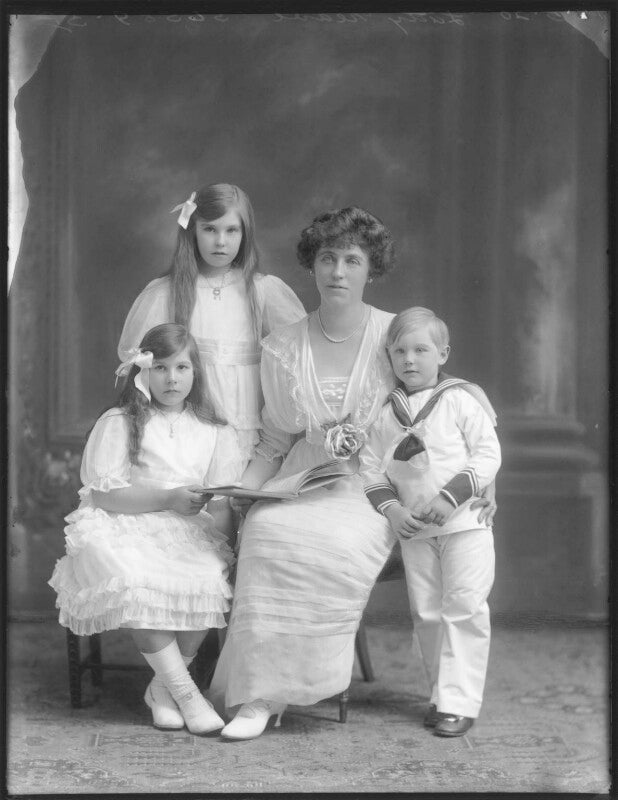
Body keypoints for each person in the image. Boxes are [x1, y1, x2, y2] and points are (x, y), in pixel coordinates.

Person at [208, 208, 496, 740]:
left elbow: (451, 396)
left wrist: (486, 481)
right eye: (327, 258)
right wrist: (240, 494)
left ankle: (285, 689)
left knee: (329, 545)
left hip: (373, 488)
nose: (337, 271)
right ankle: (258, 696)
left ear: (370, 268)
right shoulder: (282, 346)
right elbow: (274, 441)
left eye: (351, 260)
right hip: (300, 480)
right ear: (311, 265)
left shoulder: (395, 332)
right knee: (267, 529)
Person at [49, 323, 243, 735]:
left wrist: (227, 548)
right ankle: (187, 695)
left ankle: (162, 691)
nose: (172, 379)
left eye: (182, 367)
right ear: (143, 372)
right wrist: (167, 498)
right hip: (124, 523)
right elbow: (104, 495)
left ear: (196, 372)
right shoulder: (120, 421)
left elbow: (221, 500)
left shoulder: (214, 429)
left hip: (188, 529)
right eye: (160, 368)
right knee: (135, 579)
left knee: (209, 576)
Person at [360, 307, 501, 738]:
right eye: (399, 351)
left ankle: (459, 702)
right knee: (427, 614)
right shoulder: (387, 412)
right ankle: (442, 695)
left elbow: (488, 453)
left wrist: (449, 497)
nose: (409, 359)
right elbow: (370, 469)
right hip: (416, 530)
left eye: (421, 350)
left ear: (443, 354)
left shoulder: (460, 399)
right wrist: (393, 510)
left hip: (464, 524)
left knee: (464, 608)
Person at [118, 183, 306, 474]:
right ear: (193, 230)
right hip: (185, 436)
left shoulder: (263, 291)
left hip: (247, 433)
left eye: (231, 230)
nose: (220, 241)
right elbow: (142, 372)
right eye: (209, 229)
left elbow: (296, 363)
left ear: (245, 234)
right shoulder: (166, 293)